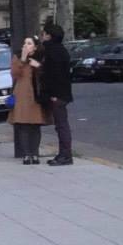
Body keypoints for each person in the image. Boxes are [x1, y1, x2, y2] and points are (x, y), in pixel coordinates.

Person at [37, 23, 74, 166]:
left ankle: (65, 155)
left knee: (61, 125)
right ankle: (64, 154)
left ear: (49, 35)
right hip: (63, 93)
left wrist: (52, 94)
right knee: (61, 124)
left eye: (44, 34)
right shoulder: (62, 50)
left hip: (57, 95)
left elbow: (51, 75)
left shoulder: (50, 51)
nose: (42, 36)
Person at [10, 39, 47, 164]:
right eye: (24, 43)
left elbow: (46, 73)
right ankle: (26, 154)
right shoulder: (18, 57)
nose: (25, 45)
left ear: (35, 47)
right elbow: (15, 74)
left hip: (35, 94)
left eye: (29, 43)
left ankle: (35, 153)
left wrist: (39, 66)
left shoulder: (40, 57)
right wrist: (23, 59)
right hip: (22, 94)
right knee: (23, 125)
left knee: (35, 125)